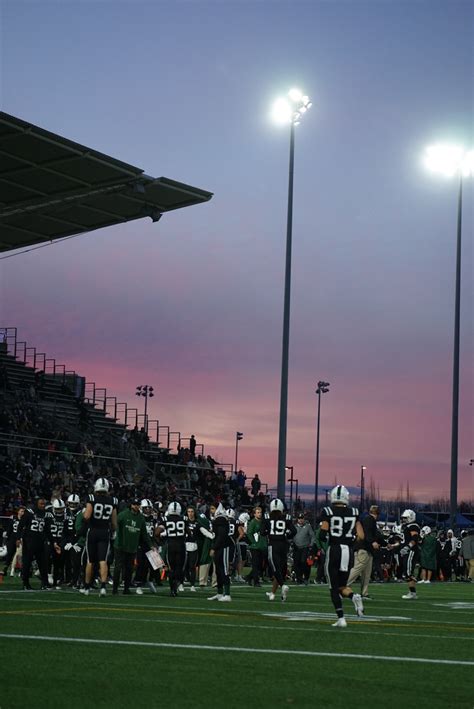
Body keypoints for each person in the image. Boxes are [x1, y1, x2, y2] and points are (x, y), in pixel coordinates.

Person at [319, 485, 365, 627]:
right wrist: (350, 542)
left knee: (333, 588)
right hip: (348, 551)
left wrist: (327, 538)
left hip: (335, 550)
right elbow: (361, 536)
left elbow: (322, 534)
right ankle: (354, 596)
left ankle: (341, 618)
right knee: (342, 586)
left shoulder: (328, 511)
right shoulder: (354, 512)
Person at [81, 477, 118, 597]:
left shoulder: (91, 498)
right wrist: (113, 531)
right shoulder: (112, 500)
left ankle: (86, 587)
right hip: (104, 532)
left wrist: (83, 513)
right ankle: (103, 587)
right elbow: (114, 522)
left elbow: (87, 516)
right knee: (103, 560)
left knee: (90, 561)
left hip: (92, 531)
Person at [113, 498, 151, 595]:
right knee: (118, 568)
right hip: (120, 546)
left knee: (129, 569)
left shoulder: (141, 518)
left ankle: (126, 588)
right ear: (131, 505)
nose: (136, 506)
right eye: (134, 504)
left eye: (138, 504)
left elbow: (144, 534)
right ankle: (115, 588)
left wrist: (151, 545)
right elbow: (115, 524)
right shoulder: (123, 514)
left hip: (132, 547)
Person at [262, 498, 296, 602]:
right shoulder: (287, 517)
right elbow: (294, 531)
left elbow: (262, 532)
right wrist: (286, 534)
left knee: (275, 569)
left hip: (273, 545)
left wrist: (268, 531)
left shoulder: (267, 517)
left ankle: (283, 586)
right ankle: (273, 593)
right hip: (284, 545)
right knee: (280, 570)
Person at [18, 497, 53, 590]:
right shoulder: (29, 512)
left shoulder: (46, 514)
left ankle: (45, 583)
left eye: (44, 504)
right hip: (29, 541)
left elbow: (47, 530)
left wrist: (52, 542)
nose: (43, 506)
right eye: (41, 504)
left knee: (43, 563)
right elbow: (21, 525)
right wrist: (18, 538)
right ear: (36, 504)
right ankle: (25, 583)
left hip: (40, 541)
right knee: (27, 563)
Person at [347, 504, 381, 598]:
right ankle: (343, 586)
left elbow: (374, 534)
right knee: (357, 569)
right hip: (363, 549)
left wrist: (384, 543)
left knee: (367, 573)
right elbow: (367, 533)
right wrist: (373, 541)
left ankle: (364, 593)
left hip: (367, 550)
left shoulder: (369, 519)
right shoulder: (369, 520)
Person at [388, 509, 420, 599]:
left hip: (411, 551)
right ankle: (412, 592)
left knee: (408, 572)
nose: (403, 520)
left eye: (405, 518)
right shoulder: (406, 527)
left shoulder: (413, 525)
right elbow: (403, 541)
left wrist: (408, 547)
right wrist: (393, 546)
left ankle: (412, 593)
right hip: (406, 551)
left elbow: (415, 538)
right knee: (406, 572)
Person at [159, 501, 186, 597]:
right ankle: (177, 585)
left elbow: (157, 532)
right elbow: (189, 533)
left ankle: (172, 590)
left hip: (170, 545)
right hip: (181, 545)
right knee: (179, 568)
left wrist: (160, 541)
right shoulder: (183, 518)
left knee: (171, 569)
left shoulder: (165, 519)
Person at [208, 503, 232, 602]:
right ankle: (219, 592)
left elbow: (221, 535)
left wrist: (214, 547)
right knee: (218, 571)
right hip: (219, 547)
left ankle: (227, 594)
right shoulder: (219, 519)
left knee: (224, 570)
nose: (211, 511)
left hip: (223, 547)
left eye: (213, 509)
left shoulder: (221, 519)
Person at [1, 505, 25, 577]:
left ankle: (19, 570)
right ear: (18, 511)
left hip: (21, 539)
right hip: (12, 538)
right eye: (21, 511)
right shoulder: (13, 518)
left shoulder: (25, 519)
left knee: (19, 555)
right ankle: (5, 569)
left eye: (24, 511)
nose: (23, 513)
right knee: (10, 554)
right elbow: (10, 528)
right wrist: (7, 536)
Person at [246, 506, 266, 587]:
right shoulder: (253, 522)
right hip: (254, 547)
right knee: (255, 564)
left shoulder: (262, 522)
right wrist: (253, 543)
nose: (259, 514)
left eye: (260, 512)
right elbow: (249, 533)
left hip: (261, 546)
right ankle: (256, 581)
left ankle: (248, 577)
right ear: (254, 514)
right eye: (258, 513)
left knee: (259, 565)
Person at [292, 512, 314, 585]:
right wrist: (291, 543)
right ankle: (299, 579)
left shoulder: (308, 526)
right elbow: (290, 537)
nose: (301, 520)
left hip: (305, 547)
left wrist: (311, 545)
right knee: (296, 563)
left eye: (302, 518)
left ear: (304, 519)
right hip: (296, 548)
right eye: (299, 518)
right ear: (297, 519)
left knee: (304, 562)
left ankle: (306, 578)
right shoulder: (294, 527)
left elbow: (312, 536)